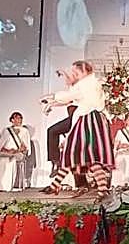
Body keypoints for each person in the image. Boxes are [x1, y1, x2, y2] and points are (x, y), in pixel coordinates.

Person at [41, 61, 114, 197]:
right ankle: (101, 189)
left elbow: (69, 95)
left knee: (76, 152)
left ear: (84, 72)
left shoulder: (87, 84)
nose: (74, 75)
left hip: (89, 120)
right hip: (88, 119)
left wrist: (50, 98)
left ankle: (56, 185)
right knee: (81, 155)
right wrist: (51, 102)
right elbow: (71, 95)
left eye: (76, 72)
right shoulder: (89, 82)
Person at [0, 112, 31, 191]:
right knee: (2, 158)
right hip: (8, 152)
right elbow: (1, 145)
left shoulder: (24, 131)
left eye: (20, 118)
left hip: (19, 153)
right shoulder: (6, 130)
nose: (19, 120)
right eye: (17, 118)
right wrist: (8, 151)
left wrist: (16, 151)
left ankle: (8, 186)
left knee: (11, 158)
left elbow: (25, 146)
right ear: (12, 120)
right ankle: (0, 185)